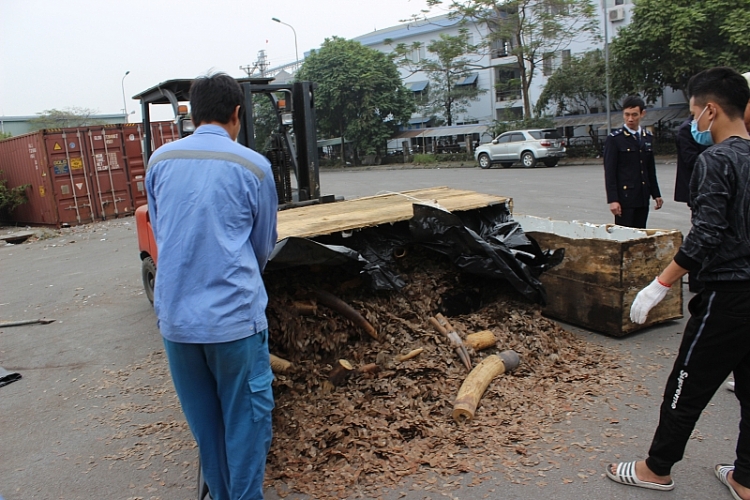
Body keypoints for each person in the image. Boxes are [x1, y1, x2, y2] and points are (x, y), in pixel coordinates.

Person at [605, 67, 750, 500]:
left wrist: (659, 285)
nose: (693, 124)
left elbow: (706, 234)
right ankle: (745, 476)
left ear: (710, 110)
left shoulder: (716, 160)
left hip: (728, 294)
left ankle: (656, 467)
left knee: (686, 383)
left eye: (693, 113)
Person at [146, 73, 278, 500]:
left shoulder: (159, 161)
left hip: (178, 324)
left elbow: (165, 232)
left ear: (191, 113)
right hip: (234, 324)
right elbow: (261, 248)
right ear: (237, 113)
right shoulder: (254, 166)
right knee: (246, 423)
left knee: (208, 428)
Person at [603, 95, 664, 228]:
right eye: (627, 114)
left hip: (642, 196)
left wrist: (656, 193)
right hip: (625, 199)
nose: (630, 119)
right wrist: (613, 200)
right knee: (624, 238)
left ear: (642, 114)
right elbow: (610, 172)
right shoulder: (615, 139)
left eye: (634, 115)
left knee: (641, 235)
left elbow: (650, 169)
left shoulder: (647, 137)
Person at [674, 116, 708, 293]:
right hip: (698, 191)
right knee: (702, 233)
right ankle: (695, 279)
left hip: (709, 188)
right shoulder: (688, 129)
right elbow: (691, 160)